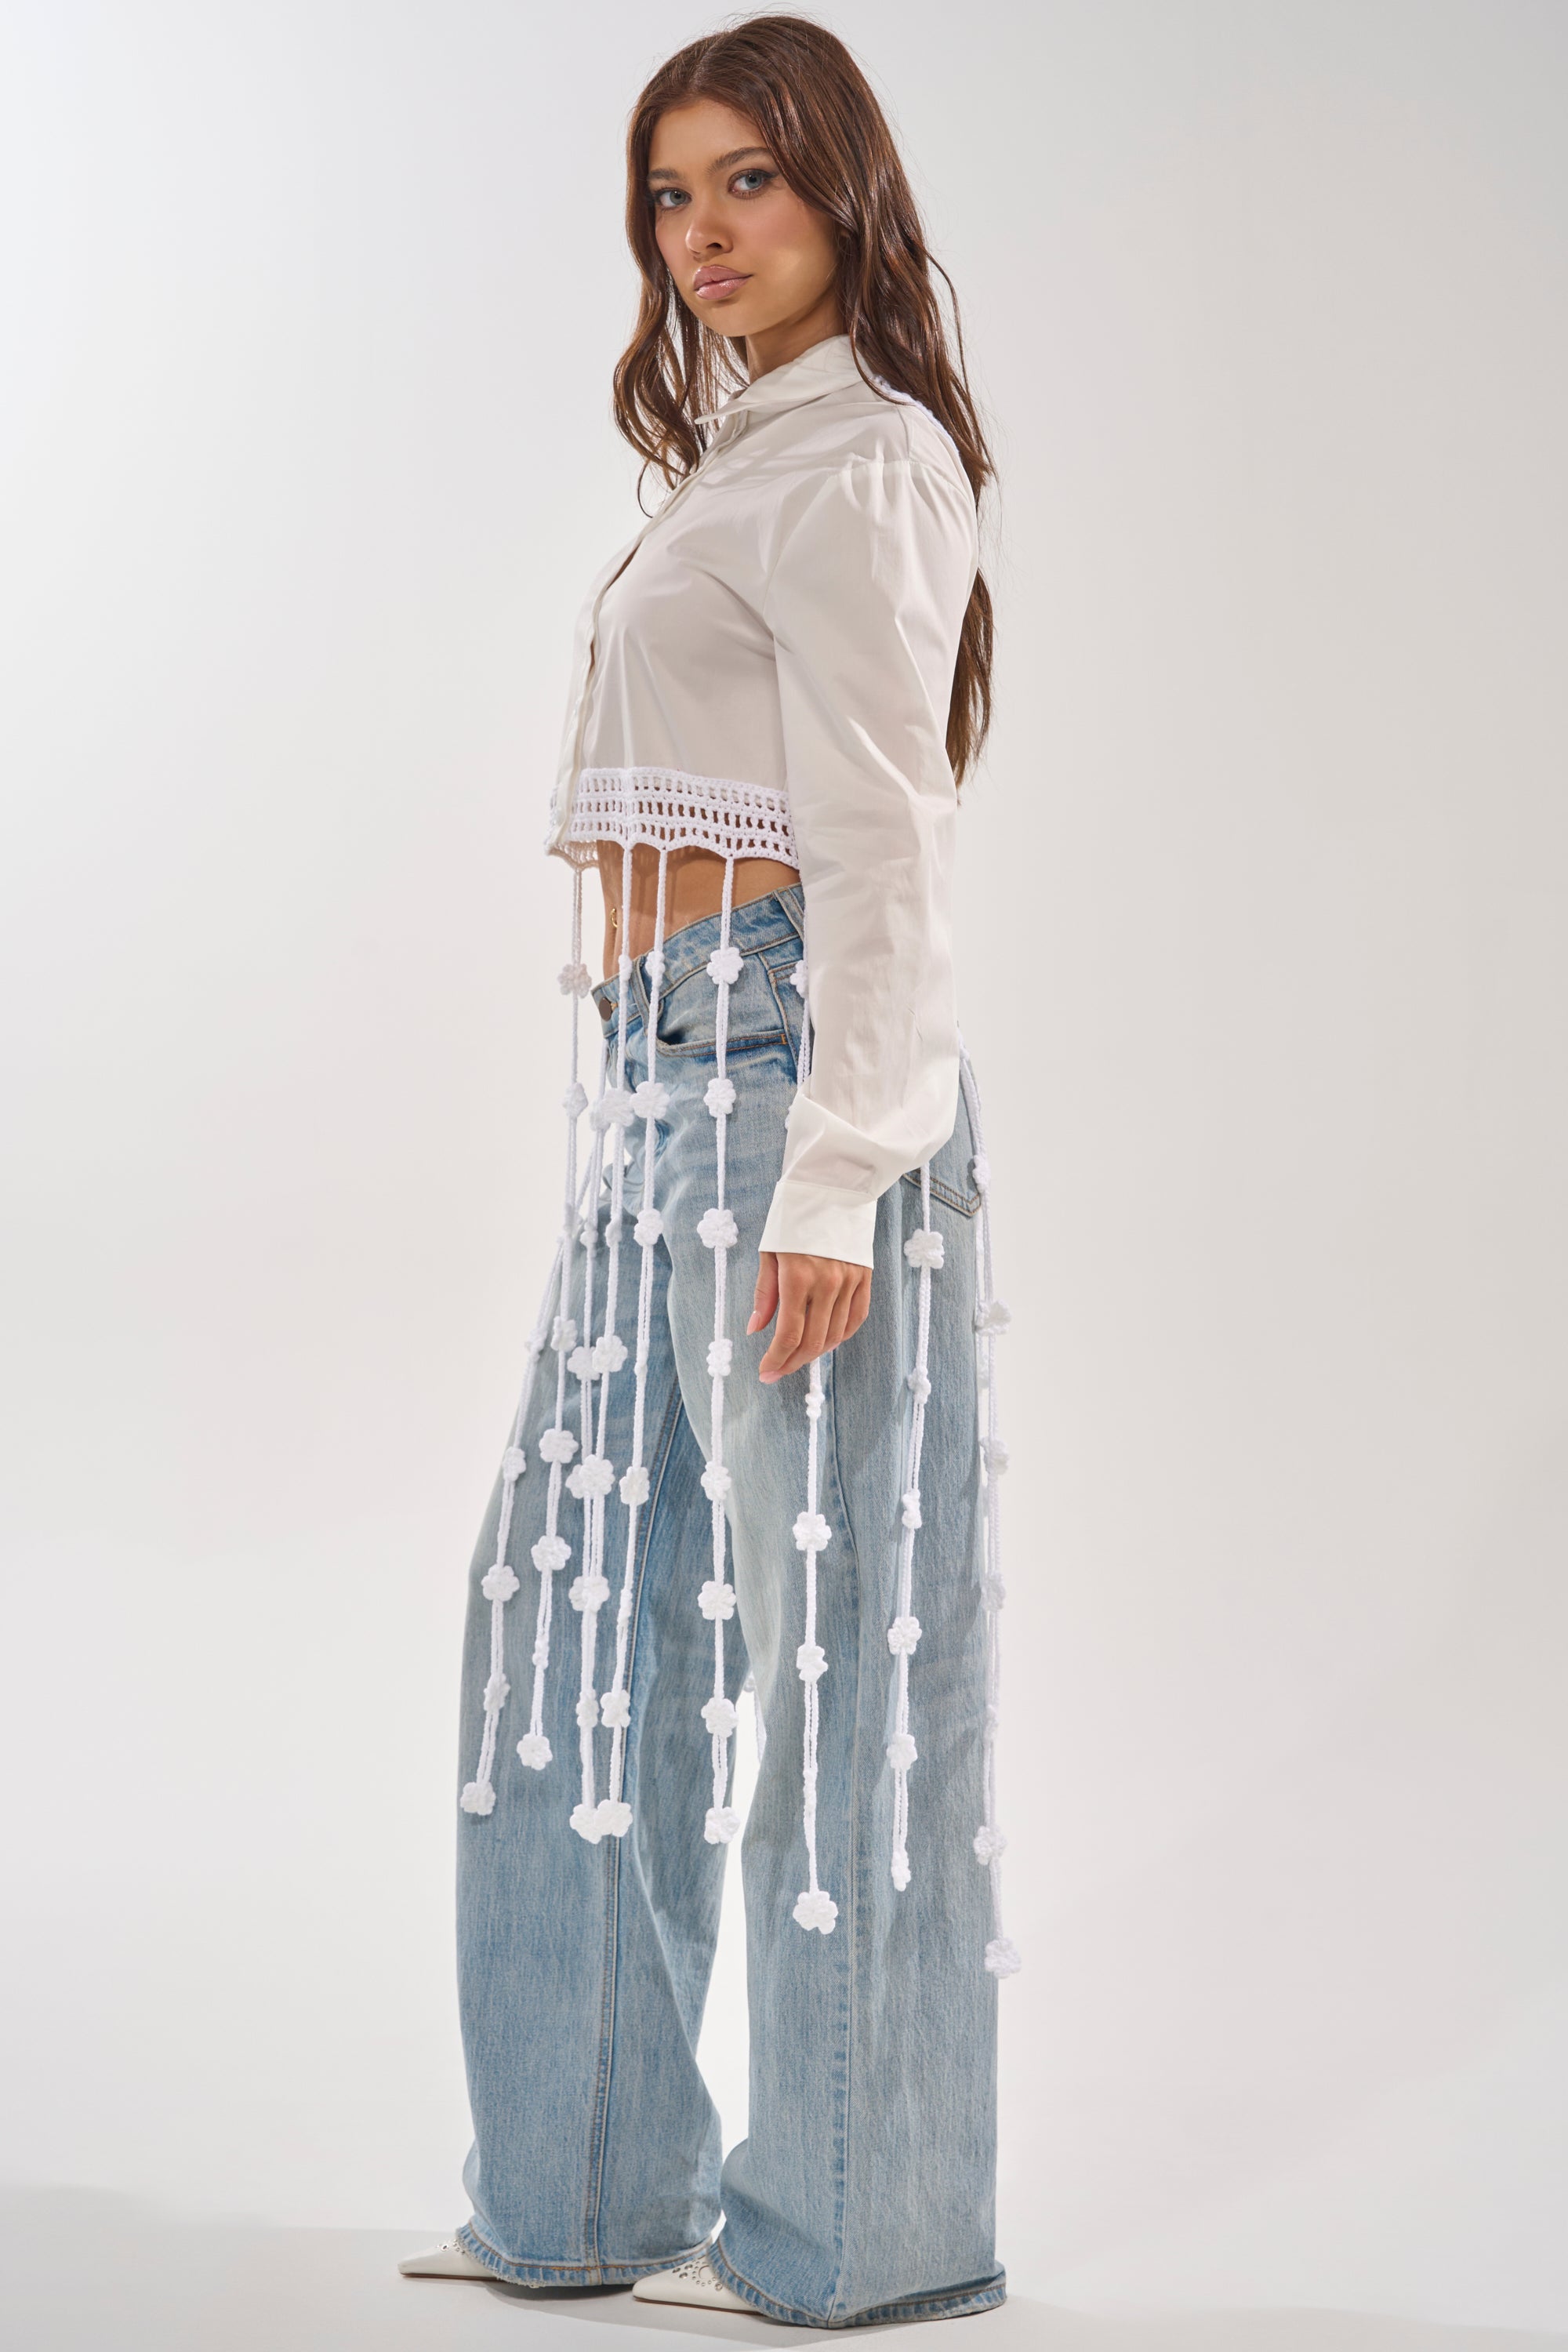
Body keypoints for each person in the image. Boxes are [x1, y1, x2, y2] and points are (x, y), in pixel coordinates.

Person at [399, 16, 1018, 2328]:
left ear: (843, 188)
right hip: (652, 1092)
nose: (708, 234)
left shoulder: (864, 462)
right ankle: (576, 2199)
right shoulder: (741, 455)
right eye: (674, 197)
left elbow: (889, 844)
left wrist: (844, 1173)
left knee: (853, 1655)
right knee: (566, 1634)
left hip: (787, 1096)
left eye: (750, 182)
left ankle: (868, 2234)